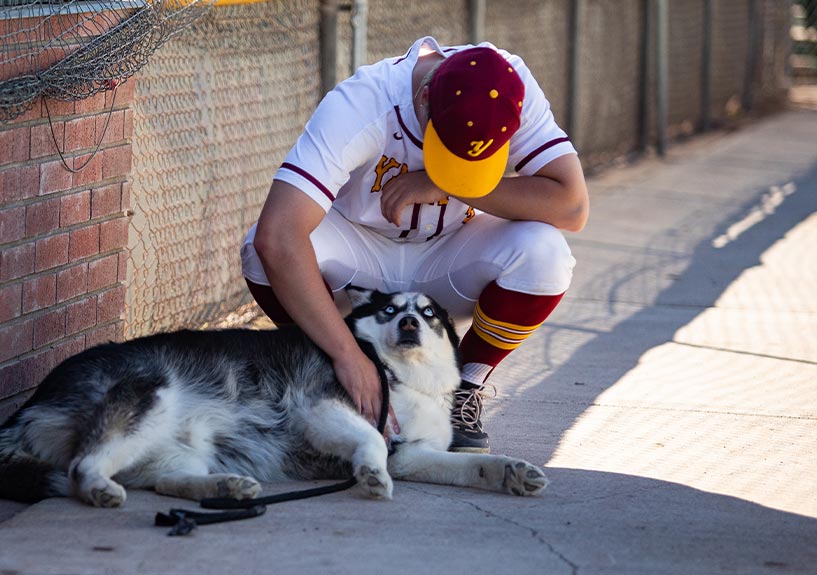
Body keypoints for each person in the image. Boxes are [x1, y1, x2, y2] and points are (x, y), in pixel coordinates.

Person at [240, 36, 589, 453]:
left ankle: (461, 388)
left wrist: (444, 181)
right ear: (424, 98)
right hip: (360, 252)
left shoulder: (509, 85)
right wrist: (348, 355)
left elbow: (572, 206)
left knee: (545, 254)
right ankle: (325, 374)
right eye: (450, 156)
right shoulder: (362, 103)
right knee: (262, 250)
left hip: (452, 253)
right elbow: (277, 236)